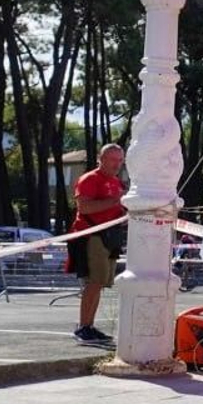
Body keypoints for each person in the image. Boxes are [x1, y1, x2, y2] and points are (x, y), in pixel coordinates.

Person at [68, 143, 126, 347]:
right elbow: (84, 207)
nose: (116, 164)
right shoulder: (90, 179)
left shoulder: (117, 182)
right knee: (93, 281)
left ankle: (89, 326)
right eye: (112, 159)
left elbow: (117, 208)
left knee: (99, 282)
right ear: (100, 159)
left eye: (120, 160)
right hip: (92, 235)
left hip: (109, 236)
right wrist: (115, 201)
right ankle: (83, 326)